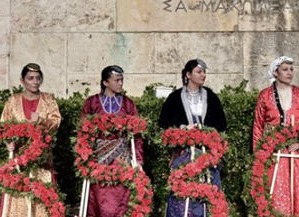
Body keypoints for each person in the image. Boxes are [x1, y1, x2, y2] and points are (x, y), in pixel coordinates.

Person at [158, 59, 228, 217]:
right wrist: (183, 128)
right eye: (199, 72)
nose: (203, 75)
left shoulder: (211, 96)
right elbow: (164, 123)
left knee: (210, 189)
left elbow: (222, 124)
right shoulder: (175, 97)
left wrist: (208, 133)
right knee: (182, 192)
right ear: (188, 75)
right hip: (184, 154)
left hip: (207, 154)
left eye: (204, 72)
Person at [251, 56, 299, 217]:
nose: (289, 73)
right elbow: (258, 125)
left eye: (291, 69)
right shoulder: (265, 95)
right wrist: (259, 153)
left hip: (296, 150)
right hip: (273, 151)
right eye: (285, 69)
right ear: (276, 72)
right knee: (275, 189)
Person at [0, 63, 62, 217]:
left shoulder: (48, 99)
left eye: (38, 78)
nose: (35, 82)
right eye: (31, 78)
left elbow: (56, 121)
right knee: (19, 187)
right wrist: (9, 143)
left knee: (43, 189)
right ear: (22, 80)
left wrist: (41, 120)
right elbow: (5, 125)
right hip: (20, 157)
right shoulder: (13, 101)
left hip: (42, 156)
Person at [80, 65, 144, 217]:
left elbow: (137, 135)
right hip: (99, 157)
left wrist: (139, 160)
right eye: (117, 80)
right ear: (105, 82)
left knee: (122, 194)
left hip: (122, 156)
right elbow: (83, 132)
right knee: (99, 195)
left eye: (122, 80)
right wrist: (84, 157)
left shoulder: (128, 104)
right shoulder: (92, 103)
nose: (121, 83)